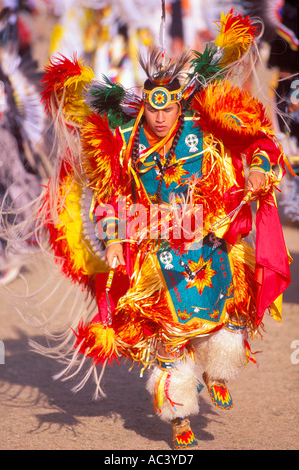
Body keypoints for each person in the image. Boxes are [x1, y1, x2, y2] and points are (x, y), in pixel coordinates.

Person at [35, 9, 291, 450]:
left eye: (168, 109)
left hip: (211, 244)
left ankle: (216, 371)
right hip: (158, 255)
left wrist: (256, 169)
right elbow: (108, 195)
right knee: (169, 336)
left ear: (178, 105)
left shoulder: (205, 124)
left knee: (223, 323)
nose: (159, 119)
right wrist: (114, 239)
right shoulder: (127, 144)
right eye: (154, 112)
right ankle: (177, 417)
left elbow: (258, 140)